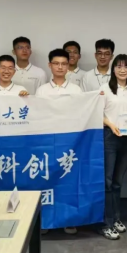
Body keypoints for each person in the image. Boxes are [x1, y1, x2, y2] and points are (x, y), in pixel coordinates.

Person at [36, 49, 82, 235]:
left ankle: (68, 220)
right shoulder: (42, 90)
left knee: (68, 180)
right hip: (47, 140)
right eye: (56, 63)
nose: (60, 67)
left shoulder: (76, 90)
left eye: (64, 64)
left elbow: (82, 113)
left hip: (70, 141)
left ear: (68, 66)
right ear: (50, 65)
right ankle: (46, 220)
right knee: (47, 179)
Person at [99, 54, 127, 240]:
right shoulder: (105, 88)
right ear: (113, 69)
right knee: (107, 182)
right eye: (119, 66)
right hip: (109, 136)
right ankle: (106, 223)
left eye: (126, 66)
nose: (122, 70)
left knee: (117, 182)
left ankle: (115, 218)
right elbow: (97, 112)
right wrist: (110, 124)